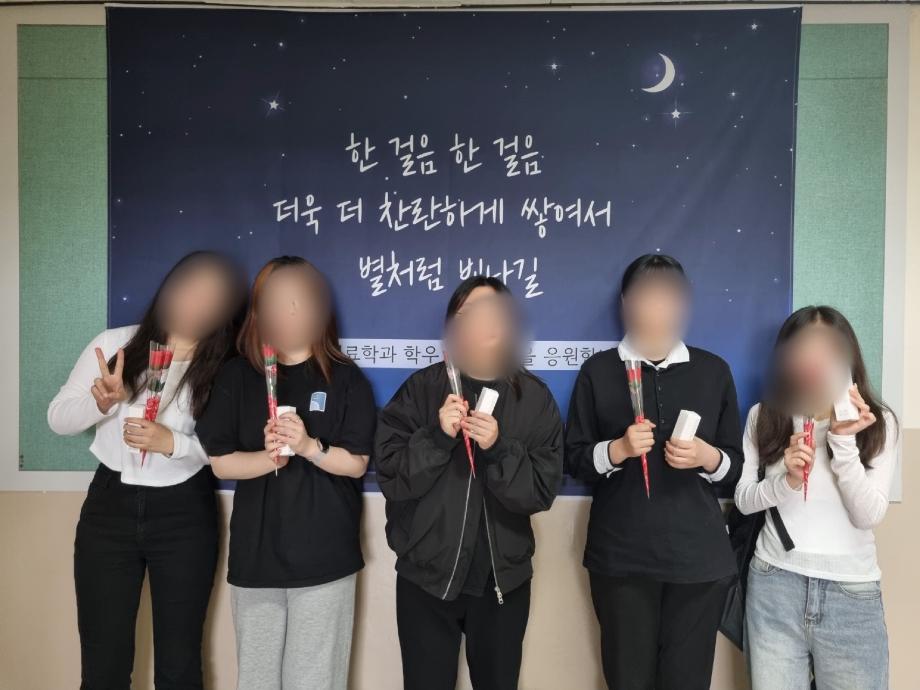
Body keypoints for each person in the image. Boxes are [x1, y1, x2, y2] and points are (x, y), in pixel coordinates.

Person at [47, 251, 246, 689]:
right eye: (189, 288)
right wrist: (100, 404)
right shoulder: (117, 343)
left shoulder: (227, 366)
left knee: (180, 663)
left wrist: (172, 443)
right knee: (103, 662)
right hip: (109, 507)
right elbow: (58, 418)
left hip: (184, 511)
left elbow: (229, 450)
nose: (196, 303)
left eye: (213, 297)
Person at [195, 256, 376, 690]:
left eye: (301, 300)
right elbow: (220, 460)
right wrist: (269, 457)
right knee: (256, 680)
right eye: (277, 300)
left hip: (324, 559)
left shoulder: (345, 378)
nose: (290, 311)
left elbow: (356, 464)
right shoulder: (238, 375)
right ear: (258, 311)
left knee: (314, 680)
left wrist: (309, 447)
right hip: (257, 557)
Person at [375, 275, 563, 690]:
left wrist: (498, 447)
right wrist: (436, 437)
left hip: (502, 581)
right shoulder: (421, 390)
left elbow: (540, 492)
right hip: (426, 577)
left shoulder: (533, 398)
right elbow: (392, 477)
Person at [565, 253, 742, 690]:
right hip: (621, 559)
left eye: (668, 297)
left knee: (687, 680)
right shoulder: (599, 371)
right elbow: (575, 459)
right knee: (627, 678)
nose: (657, 308)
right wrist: (618, 449)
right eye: (646, 296)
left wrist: (707, 457)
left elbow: (736, 468)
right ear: (626, 304)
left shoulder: (713, 371)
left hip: (698, 561)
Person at [734, 306, 896, 690]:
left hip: (850, 593)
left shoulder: (879, 422)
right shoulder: (765, 416)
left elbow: (868, 515)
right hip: (774, 584)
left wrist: (843, 442)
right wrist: (786, 481)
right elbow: (744, 500)